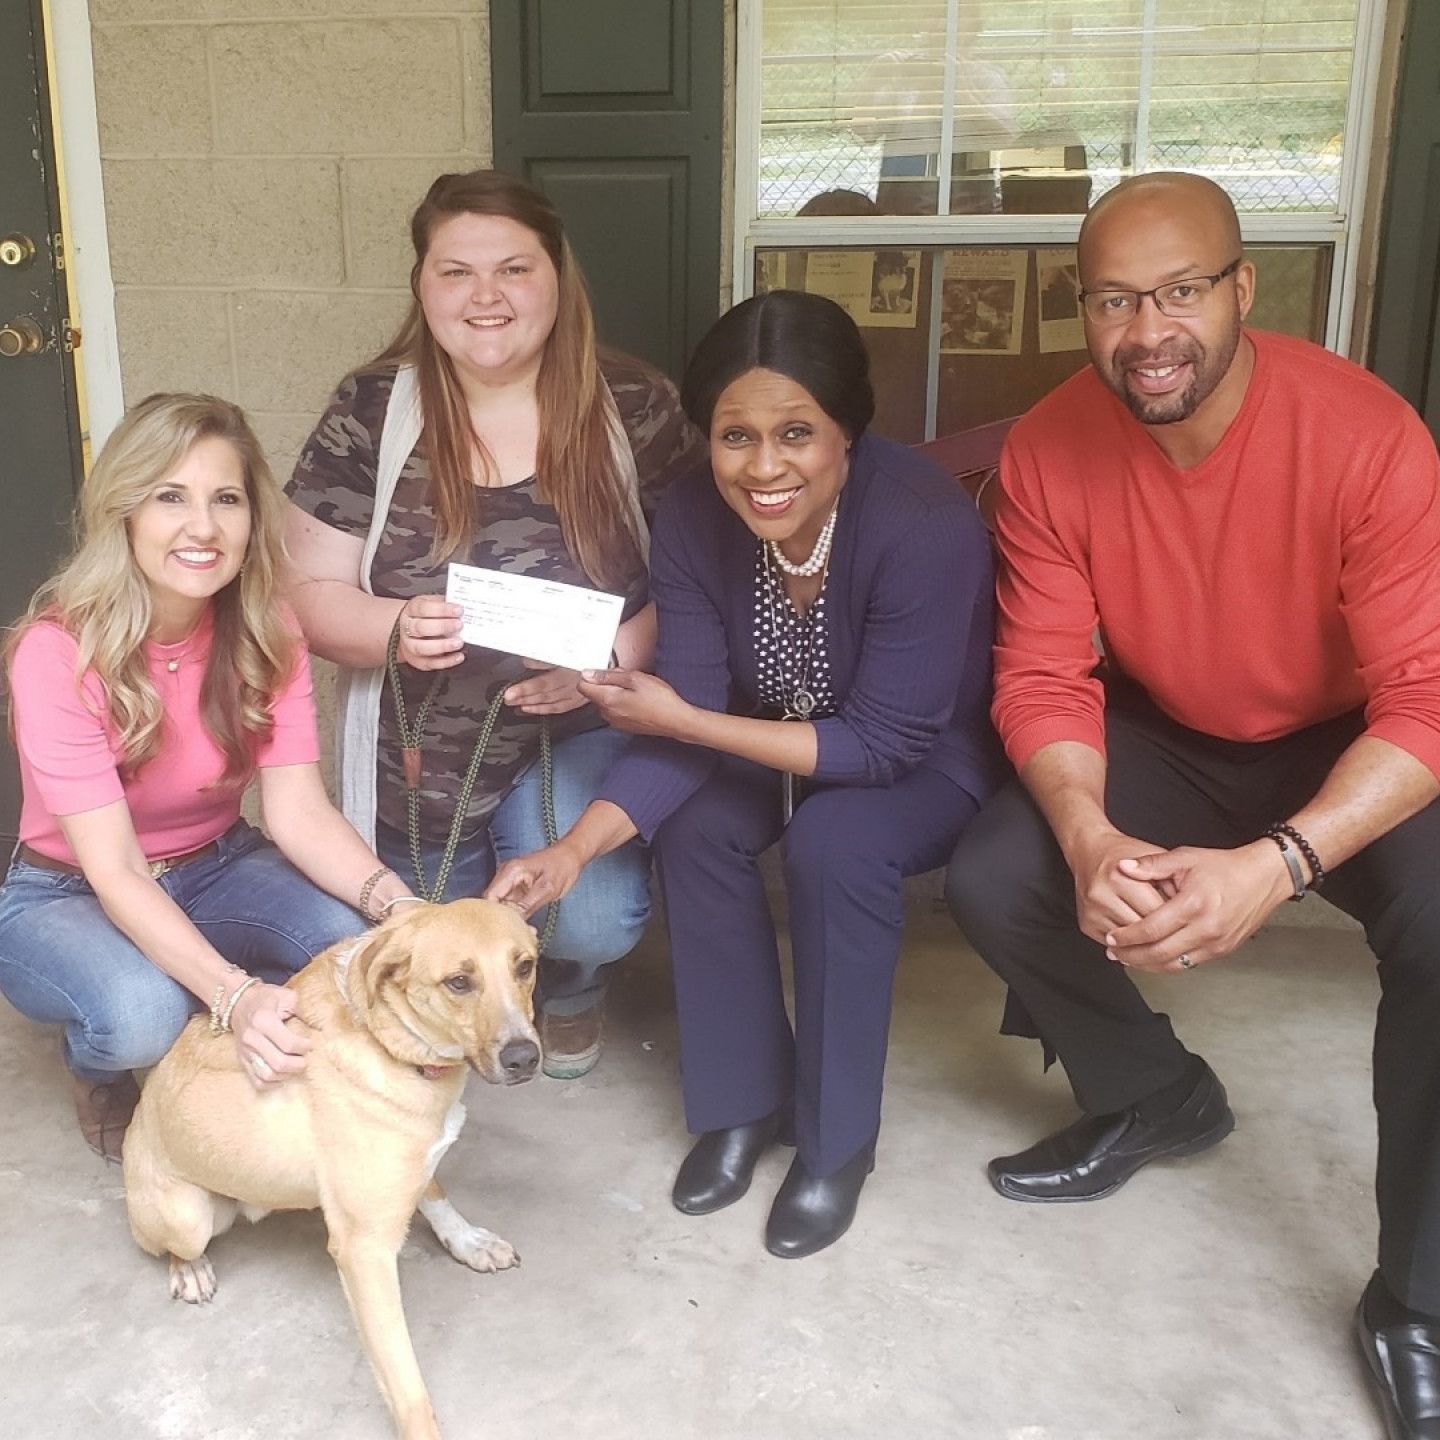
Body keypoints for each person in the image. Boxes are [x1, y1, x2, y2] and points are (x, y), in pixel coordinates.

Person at [944, 173, 1440, 1435]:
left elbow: (1427, 702)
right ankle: (1155, 1091)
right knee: (1001, 874)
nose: (1148, 331)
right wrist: (1090, 831)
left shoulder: (1367, 435)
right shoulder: (1051, 447)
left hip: (1355, 735)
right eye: (1114, 300)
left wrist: (1279, 864)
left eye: (1179, 292)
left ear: (1242, 290)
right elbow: (1044, 675)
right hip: (1170, 723)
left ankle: (1418, 1300)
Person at [487, 291, 1003, 1258]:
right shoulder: (692, 515)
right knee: (696, 827)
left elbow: (884, 744)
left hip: (920, 757)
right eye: (736, 436)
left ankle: (832, 1144)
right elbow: (687, 710)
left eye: (796, 433)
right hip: (751, 729)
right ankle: (739, 1108)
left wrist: (688, 720)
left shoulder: (921, 522)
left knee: (835, 844)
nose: (764, 468)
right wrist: (569, 853)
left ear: (847, 430)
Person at [283, 170, 704, 1080]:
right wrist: (394, 626)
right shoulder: (371, 411)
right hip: (420, 736)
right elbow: (307, 590)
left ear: (558, 276)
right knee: (428, 931)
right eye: (455, 271)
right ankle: (491, 1005)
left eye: (514, 268)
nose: (486, 297)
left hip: (582, 723)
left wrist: (609, 661)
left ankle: (574, 983)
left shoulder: (635, 406)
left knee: (592, 916)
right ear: (421, 286)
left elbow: (700, 583)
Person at [0, 394, 414, 1163]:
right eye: (170, 497)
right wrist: (234, 993)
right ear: (123, 512)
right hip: (70, 888)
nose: (203, 527)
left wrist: (400, 906)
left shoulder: (268, 629)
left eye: (226, 499)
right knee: (139, 1015)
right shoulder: (56, 652)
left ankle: (213, 985)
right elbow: (118, 869)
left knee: (349, 945)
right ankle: (98, 1064)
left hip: (217, 862)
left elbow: (298, 814)